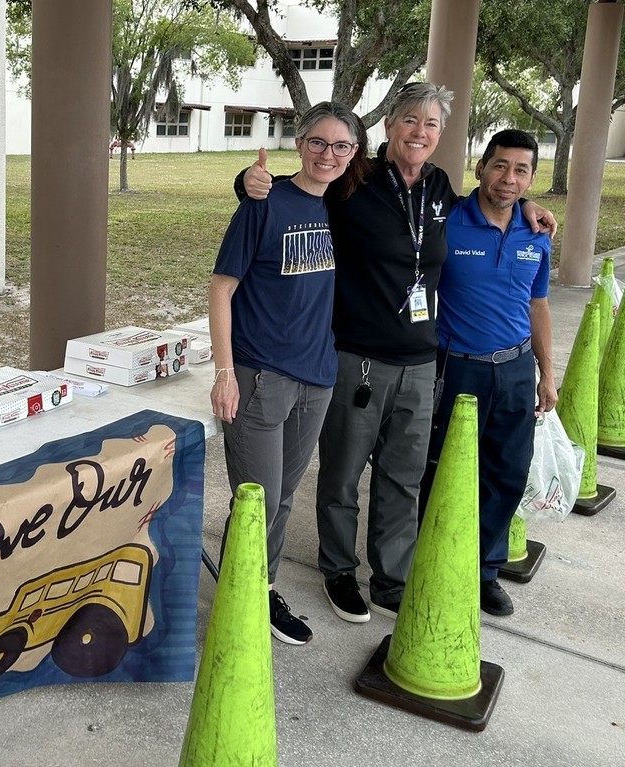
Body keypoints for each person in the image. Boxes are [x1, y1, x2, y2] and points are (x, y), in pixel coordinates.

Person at [236, 83, 556, 625]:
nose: (420, 133)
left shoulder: (439, 187)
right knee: (341, 473)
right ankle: (338, 569)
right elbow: (296, 187)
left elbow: (489, 204)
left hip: (422, 361)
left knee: (402, 478)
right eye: (411, 120)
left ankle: (391, 578)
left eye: (431, 125)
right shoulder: (353, 178)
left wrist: (526, 204)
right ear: (389, 126)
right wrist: (246, 183)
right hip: (356, 357)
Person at [210, 101, 370, 645]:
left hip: (318, 375)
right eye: (319, 143)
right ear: (299, 144)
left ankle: (251, 583)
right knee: (256, 497)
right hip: (262, 376)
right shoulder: (263, 201)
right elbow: (222, 288)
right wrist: (225, 371)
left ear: (354, 155)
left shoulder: (346, 207)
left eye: (341, 146)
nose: (329, 154)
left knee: (280, 497)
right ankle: (251, 594)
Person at [421, 129, 556, 617]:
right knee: (442, 471)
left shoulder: (536, 232)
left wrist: (547, 373)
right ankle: (432, 557)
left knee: (507, 472)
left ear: (531, 179)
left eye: (521, 170)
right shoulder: (448, 222)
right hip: (456, 369)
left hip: (516, 369)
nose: (509, 178)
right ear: (480, 167)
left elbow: (538, 304)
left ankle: (484, 570)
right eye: (500, 166)